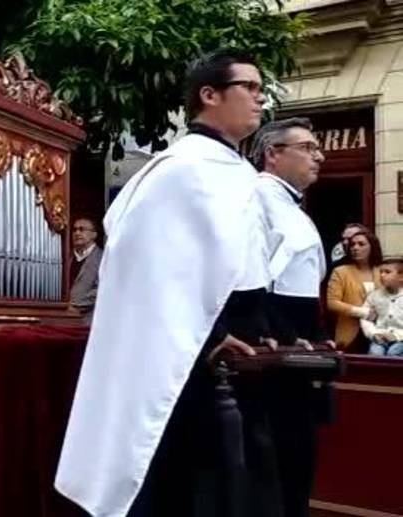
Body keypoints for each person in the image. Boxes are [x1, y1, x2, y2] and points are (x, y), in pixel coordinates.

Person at [56, 49, 279, 517]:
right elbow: (149, 273)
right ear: (209, 94)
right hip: (194, 357)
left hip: (240, 347)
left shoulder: (231, 167)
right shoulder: (180, 170)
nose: (261, 99)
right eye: (251, 88)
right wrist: (215, 339)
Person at [251, 117, 334, 517]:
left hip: (303, 336)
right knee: (280, 464)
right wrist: (281, 333)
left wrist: (318, 335)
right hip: (277, 344)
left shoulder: (290, 204)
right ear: (272, 154)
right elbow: (257, 276)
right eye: (307, 147)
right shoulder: (257, 197)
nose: (318, 155)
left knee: (300, 461)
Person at [327, 228, 382, 351]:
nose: (355, 248)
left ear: (372, 247)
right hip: (351, 334)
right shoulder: (341, 272)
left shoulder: (381, 271)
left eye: (361, 244)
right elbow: (332, 303)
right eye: (352, 245)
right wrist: (362, 312)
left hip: (378, 332)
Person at [359, 258, 403, 356]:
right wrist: (373, 334)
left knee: (394, 353)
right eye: (381, 272)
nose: (382, 275)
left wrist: (396, 336)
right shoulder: (374, 296)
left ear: (401, 276)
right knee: (375, 353)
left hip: (401, 339)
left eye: (387, 272)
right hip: (380, 338)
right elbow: (366, 318)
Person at [69, 217, 104, 323]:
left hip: (88, 319)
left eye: (82, 229)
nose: (77, 233)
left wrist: (75, 305)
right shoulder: (65, 258)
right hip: (64, 318)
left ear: (94, 234)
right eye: (74, 230)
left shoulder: (102, 258)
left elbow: (102, 289)